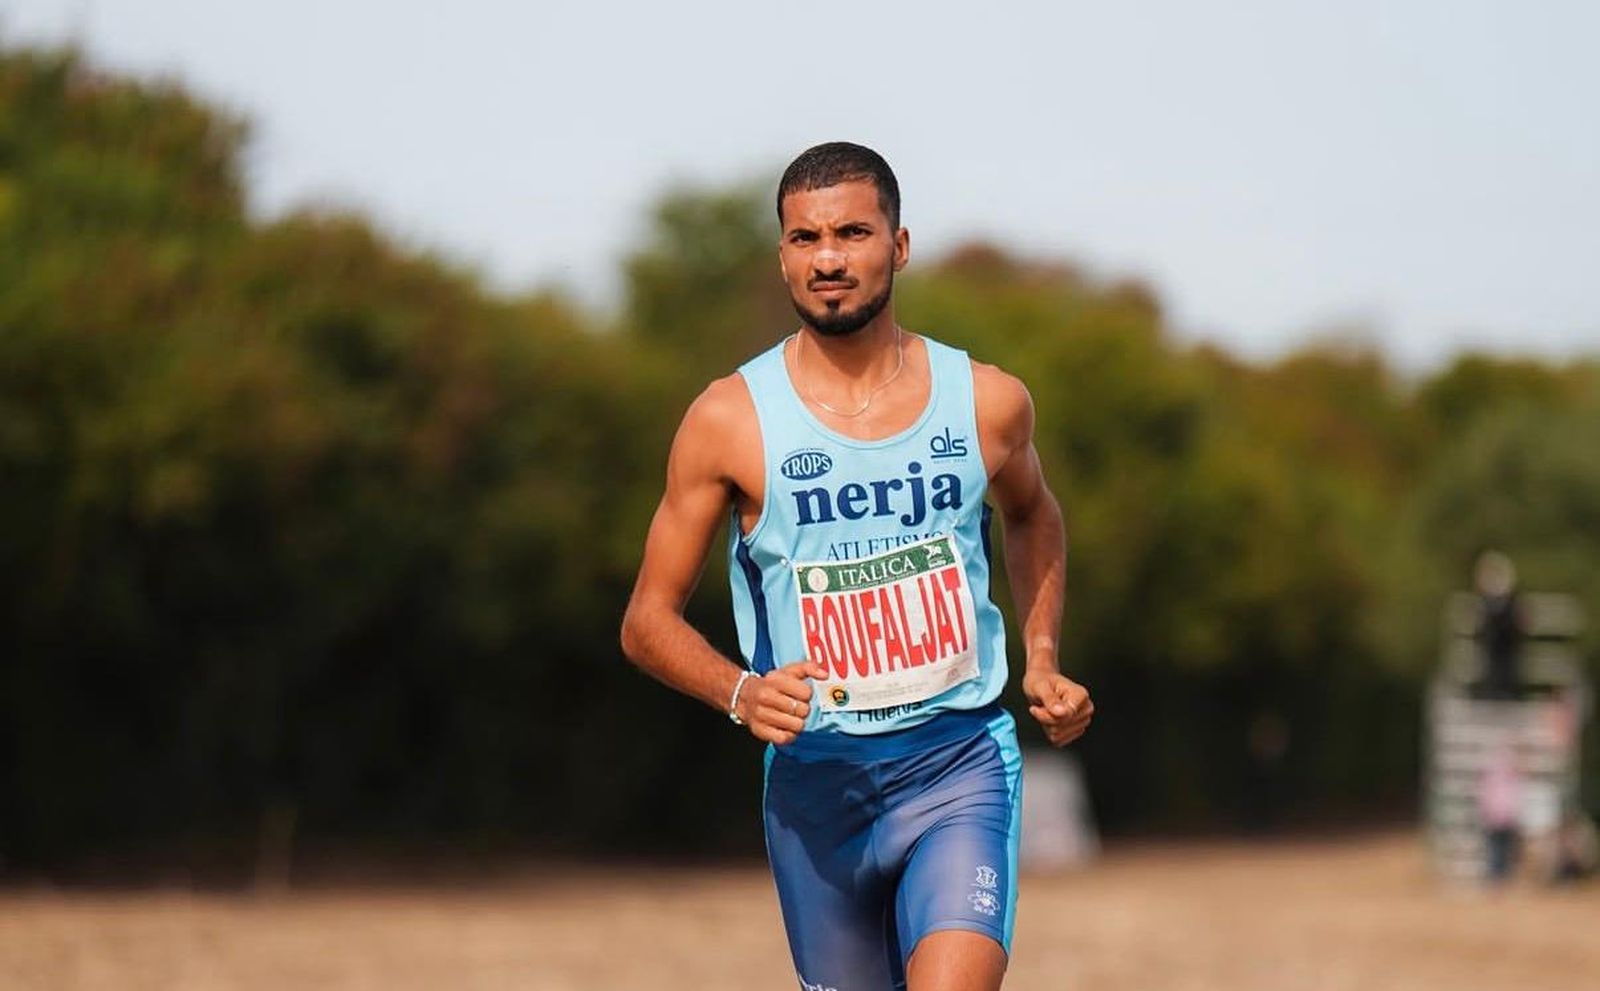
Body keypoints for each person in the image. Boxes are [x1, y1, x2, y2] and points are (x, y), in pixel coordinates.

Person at [620, 142, 1092, 991]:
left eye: (852, 233)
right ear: (783, 256)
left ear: (898, 246)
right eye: (805, 238)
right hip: (817, 787)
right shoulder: (729, 420)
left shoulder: (986, 401)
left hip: (958, 761)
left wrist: (1044, 654)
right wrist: (740, 691)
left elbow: (1033, 514)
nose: (828, 259)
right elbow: (646, 619)